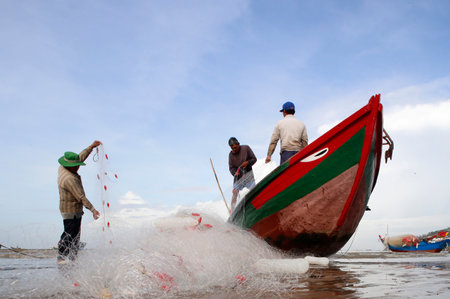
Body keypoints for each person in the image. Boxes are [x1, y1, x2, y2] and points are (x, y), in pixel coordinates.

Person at [57, 140, 102, 264]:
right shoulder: (69, 179)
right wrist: (93, 210)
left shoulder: (63, 167)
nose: (78, 167)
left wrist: (91, 147)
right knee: (70, 234)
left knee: (75, 235)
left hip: (73, 209)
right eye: (76, 165)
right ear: (69, 166)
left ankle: (73, 257)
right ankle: (61, 258)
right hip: (70, 210)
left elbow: (80, 157)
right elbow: (81, 197)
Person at [228, 137, 257, 211]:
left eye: (235, 147)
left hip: (248, 176)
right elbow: (231, 168)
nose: (233, 149)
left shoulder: (246, 148)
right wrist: (235, 172)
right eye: (232, 148)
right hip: (238, 178)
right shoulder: (231, 155)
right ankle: (232, 211)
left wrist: (247, 163)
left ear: (238, 144)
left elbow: (254, 159)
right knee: (234, 194)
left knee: (254, 192)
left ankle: (256, 206)